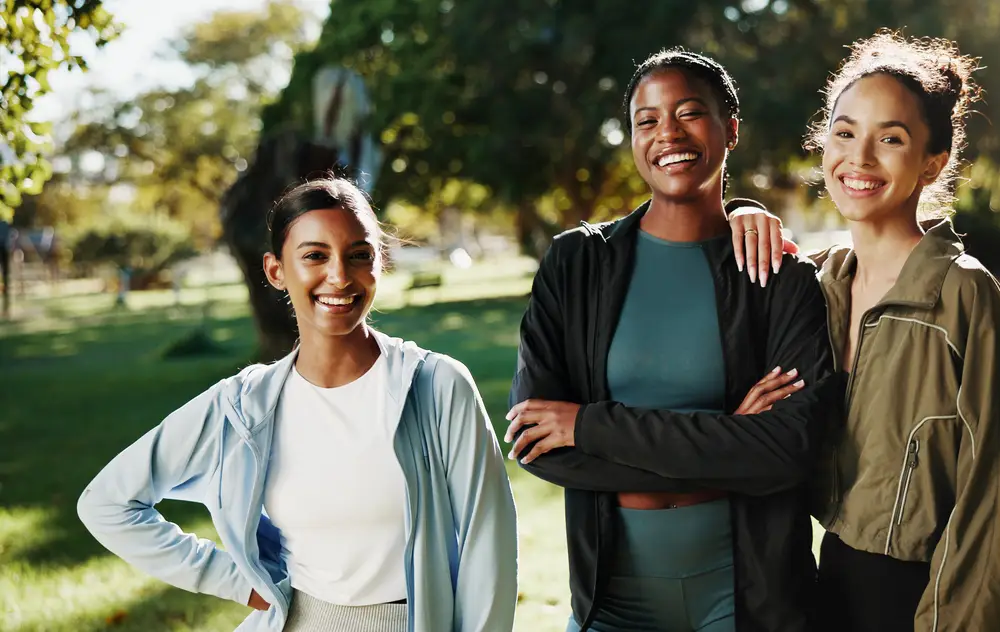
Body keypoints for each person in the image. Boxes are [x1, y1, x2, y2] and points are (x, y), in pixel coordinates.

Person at [77, 178, 518, 632]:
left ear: (379, 263)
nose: (339, 276)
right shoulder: (242, 405)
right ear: (276, 271)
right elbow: (107, 503)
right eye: (314, 256)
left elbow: (490, 546)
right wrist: (235, 582)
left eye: (359, 255)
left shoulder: (437, 386)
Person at [729, 31, 1000, 632]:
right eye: (845, 133)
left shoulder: (964, 294)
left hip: (928, 596)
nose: (859, 158)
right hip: (824, 581)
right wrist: (739, 211)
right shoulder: (818, 284)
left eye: (891, 139)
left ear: (933, 162)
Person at [503, 48, 844, 632]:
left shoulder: (779, 277)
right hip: (613, 600)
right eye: (648, 120)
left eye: (689, 113)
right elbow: (538, 442)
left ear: (730, 129)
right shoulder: (575, 265)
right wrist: (732, 441)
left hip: (749, 599)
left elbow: (790, 450)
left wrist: (590, 426)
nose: (669, 133)